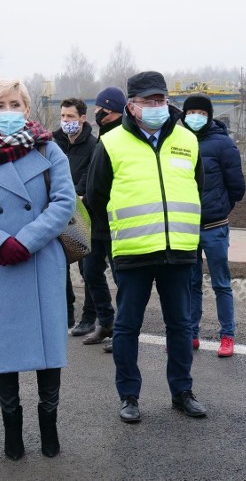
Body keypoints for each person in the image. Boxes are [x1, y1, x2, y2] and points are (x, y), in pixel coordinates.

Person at [0, 78, 76, 460]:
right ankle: (12, 431)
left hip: (39, 260)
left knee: (47, 348)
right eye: (1, 105)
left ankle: (49, 427)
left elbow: (64, 202)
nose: (9, 112)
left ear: (27, 108)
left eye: (15, 104)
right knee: (5, 350)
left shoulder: (49, 149)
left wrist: (25, 240)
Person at [86, 71, 207, 423]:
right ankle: (129, 396)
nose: (157, 107)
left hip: (179, 251)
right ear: (132, 106)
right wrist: (120, 236)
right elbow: (96, 197)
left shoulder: (187, 139)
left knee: (181, 326)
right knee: (127, 326)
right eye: (148, 102)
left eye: (161, 100)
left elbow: (196, 189)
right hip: (134, 252)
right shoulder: (110, 144)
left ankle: (182, 392)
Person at [181, 94, 246, 357]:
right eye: (191, 112)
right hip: (186, 226)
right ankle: (191, 333)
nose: (195, 117)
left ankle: (227, 336)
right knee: (190, 282)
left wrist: (220, 207)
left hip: (214, 226)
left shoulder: (223, 145)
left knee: (221, 283)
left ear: (209, 115)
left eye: (201, 112)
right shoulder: (179, 142)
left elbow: (237, 187)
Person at [54, 97, 115, 344]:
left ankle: (91, 318)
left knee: (86, 268)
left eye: (71, 117)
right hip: (56, 212)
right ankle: (68, 314)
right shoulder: (54, 144)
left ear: (82, 118)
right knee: (61, 267)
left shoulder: (93, 145)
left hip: (83, 214)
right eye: (63, 117)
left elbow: (89, 179)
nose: (66, 121)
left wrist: (74, 196)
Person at [90, 86, 128, 354]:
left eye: (99, 109)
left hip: (115, 223)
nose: (95, 113)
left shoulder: (122, 137)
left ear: (111, 110)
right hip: (93, 223)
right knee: (91, 273)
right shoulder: (101, 137)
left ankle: (124, 331)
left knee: (121, 279)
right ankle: (106, 322)